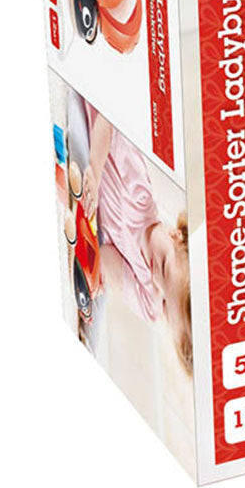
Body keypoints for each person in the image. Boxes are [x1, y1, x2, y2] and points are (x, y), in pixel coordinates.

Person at [77, 99, 192, 375]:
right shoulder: (139, 194)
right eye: (164, 267)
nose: (155, 281)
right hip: (93, 117)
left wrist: (99, 276)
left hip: (85, 199)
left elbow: (106, 256)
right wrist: (95, 168)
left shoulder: (148, 302)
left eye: (164, 306)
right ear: (176, 236)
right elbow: (108, 117)